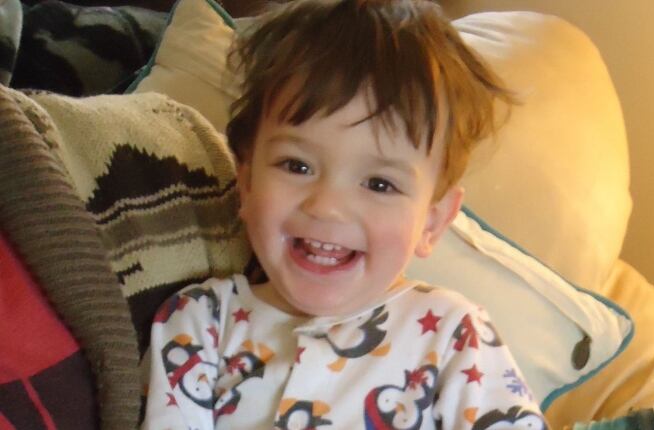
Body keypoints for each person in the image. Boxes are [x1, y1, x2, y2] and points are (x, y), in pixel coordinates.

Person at [141, 0, 547, 428]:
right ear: (246, 183)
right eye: (297, 166)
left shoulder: (454, 337)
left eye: (379, 184)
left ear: (432, 222)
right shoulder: (198, 322)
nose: (327, 207)